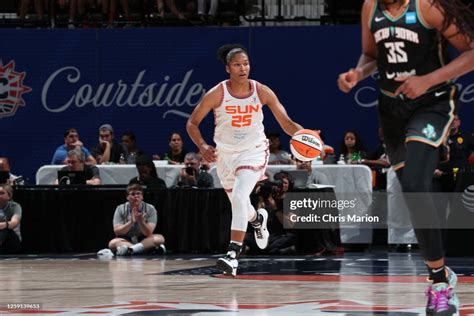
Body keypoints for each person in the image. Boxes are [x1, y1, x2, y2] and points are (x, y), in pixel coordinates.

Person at [338, 0, 474, 313]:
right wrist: (358, 73)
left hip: (431, 102)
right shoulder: (370, 6)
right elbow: (372, 56)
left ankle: (439, 285)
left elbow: (471, 52)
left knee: (414, 181)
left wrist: (428, 79)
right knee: (413, 193)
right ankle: (439, 273)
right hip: (392, 111)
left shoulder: (427, 6)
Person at [186, 44, 304, 276]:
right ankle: (257, 220)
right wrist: (202, 146)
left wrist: (310, 139)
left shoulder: (261, 91)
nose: (243, 68)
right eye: (237, 64)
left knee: (240, 196)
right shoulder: (217, 93)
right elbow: (192, 123)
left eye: (246, 63)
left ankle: (232, 255)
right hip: (225, 155)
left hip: (254, 151)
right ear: (227, 68)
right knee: (240, 205)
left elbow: (287, 123)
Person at [108, 184, 165, 256]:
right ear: (127, 197)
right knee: (112, 243)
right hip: (126, 240)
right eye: (132, 194)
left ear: (142, 196)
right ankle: (143, 249)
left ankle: (131, 250)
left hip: (144, 239)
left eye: (138, 193)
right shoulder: (120, 209)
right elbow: (117, 232)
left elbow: (148, 233)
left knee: (159, 238)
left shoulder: (150, 209)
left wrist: (141, 221)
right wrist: (131, 222)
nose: (136, 196)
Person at [0, 184, 22, 254]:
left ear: (9, 196)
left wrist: (3, 225)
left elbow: (14, 222)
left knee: (4, 229)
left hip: (11, 240)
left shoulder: (15, 206)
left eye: (2, 193)